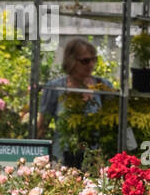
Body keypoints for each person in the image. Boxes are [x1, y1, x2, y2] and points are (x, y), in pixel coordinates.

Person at [37, 37, 115, 166]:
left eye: (93, 60)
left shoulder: (103, 87)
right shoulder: (55, 87)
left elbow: (113, 126)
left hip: (94, 160)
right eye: (85, 61)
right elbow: (42, 127)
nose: (91, 65)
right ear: (71, 61)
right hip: (62, 158)